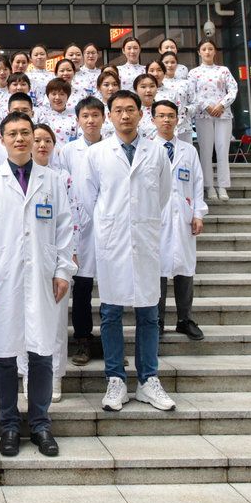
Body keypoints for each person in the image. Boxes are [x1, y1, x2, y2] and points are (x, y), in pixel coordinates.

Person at [0, 113, 74, 458]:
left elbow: (65, 228)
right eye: (13, 133)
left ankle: (41, 423)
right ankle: (9, 425)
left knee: (42, 352)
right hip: (3, 277)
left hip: (43, 276)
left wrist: (63, 270)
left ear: (34, 137)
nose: (20, 138)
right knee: (4, 354)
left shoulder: (53, 180)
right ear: (2, 140)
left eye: (25, 132)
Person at [79, 90, 175, 414]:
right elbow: (88, 199)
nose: (124, 115)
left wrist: (140, 221)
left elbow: (162, 195)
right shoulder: (97, 154)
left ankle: (148, 380)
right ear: (109, 115)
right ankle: (115, 379)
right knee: (110, 312)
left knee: (149, 312)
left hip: (144, 239)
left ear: (141, 114)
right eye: (118, 110)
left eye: (130, 109)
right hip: (112, 241)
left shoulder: (156, 152)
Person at [25, 122, 75, 401]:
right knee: (24, 321)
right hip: (24, 260)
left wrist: (65, 264)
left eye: (48, 141)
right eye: (37, 140)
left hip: (53, 260)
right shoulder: (18, 177)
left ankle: (55, 376)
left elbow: (70, 221)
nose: (42, 145)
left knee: (55, 323)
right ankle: (27, 375)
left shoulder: (62, 178)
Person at [152, 99, 208, 342]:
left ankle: (185, 319)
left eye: (171, 116)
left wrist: (198, 214)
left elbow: (197, 183)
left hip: (183, 217)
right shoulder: (147, 149)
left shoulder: (189, 150)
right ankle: (157, 320)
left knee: (185, 268)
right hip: (156, 218)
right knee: (157, 270)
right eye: (161, 115)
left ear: (178, 119)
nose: (166, 120)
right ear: (153, 119)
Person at [62, 96, 105, 366]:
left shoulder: (113, 147)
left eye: (95, 115)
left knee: (113, 288)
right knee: (82, 286)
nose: (90, 121)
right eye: (85, 116)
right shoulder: (68, 151)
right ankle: (83, 339)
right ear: (77, 120)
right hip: (80, 227)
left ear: (104, 118)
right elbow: (65, 191)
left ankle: (111, 342)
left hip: (110, 224)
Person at [190, 40, 239, 201]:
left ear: (215, 51)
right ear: (199, 52)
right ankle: (209, 186)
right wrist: (206, 106)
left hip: (223, 114)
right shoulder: (193, 73)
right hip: (203, 115)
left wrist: (222, 105)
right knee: (205, 151)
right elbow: (191, 93)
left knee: (222, 149)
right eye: (204, 49)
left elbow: (233, 89)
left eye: (210, 48)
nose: (207, 52)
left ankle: (223, 186)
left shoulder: (223, 70)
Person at [157, 52, 197, 140]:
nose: (170, 65)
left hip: (184, 127)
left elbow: (195, 103)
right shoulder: (157, 84)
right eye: (166, 62)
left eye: (173, 62)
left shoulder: (186, 83)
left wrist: (186, 110)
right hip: (162, 127)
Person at [36, 78, 78, 145]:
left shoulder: (75, 114)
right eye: (54, 94)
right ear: (48, 96)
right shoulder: (40, 112)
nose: (57, 97)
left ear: (68, 96)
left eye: (62, 94)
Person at [133, 73, 161, 139]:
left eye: (152, 86)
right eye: (143, 87)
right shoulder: (131, 110)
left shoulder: (163, 109)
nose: (148, 90)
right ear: (136, 90)